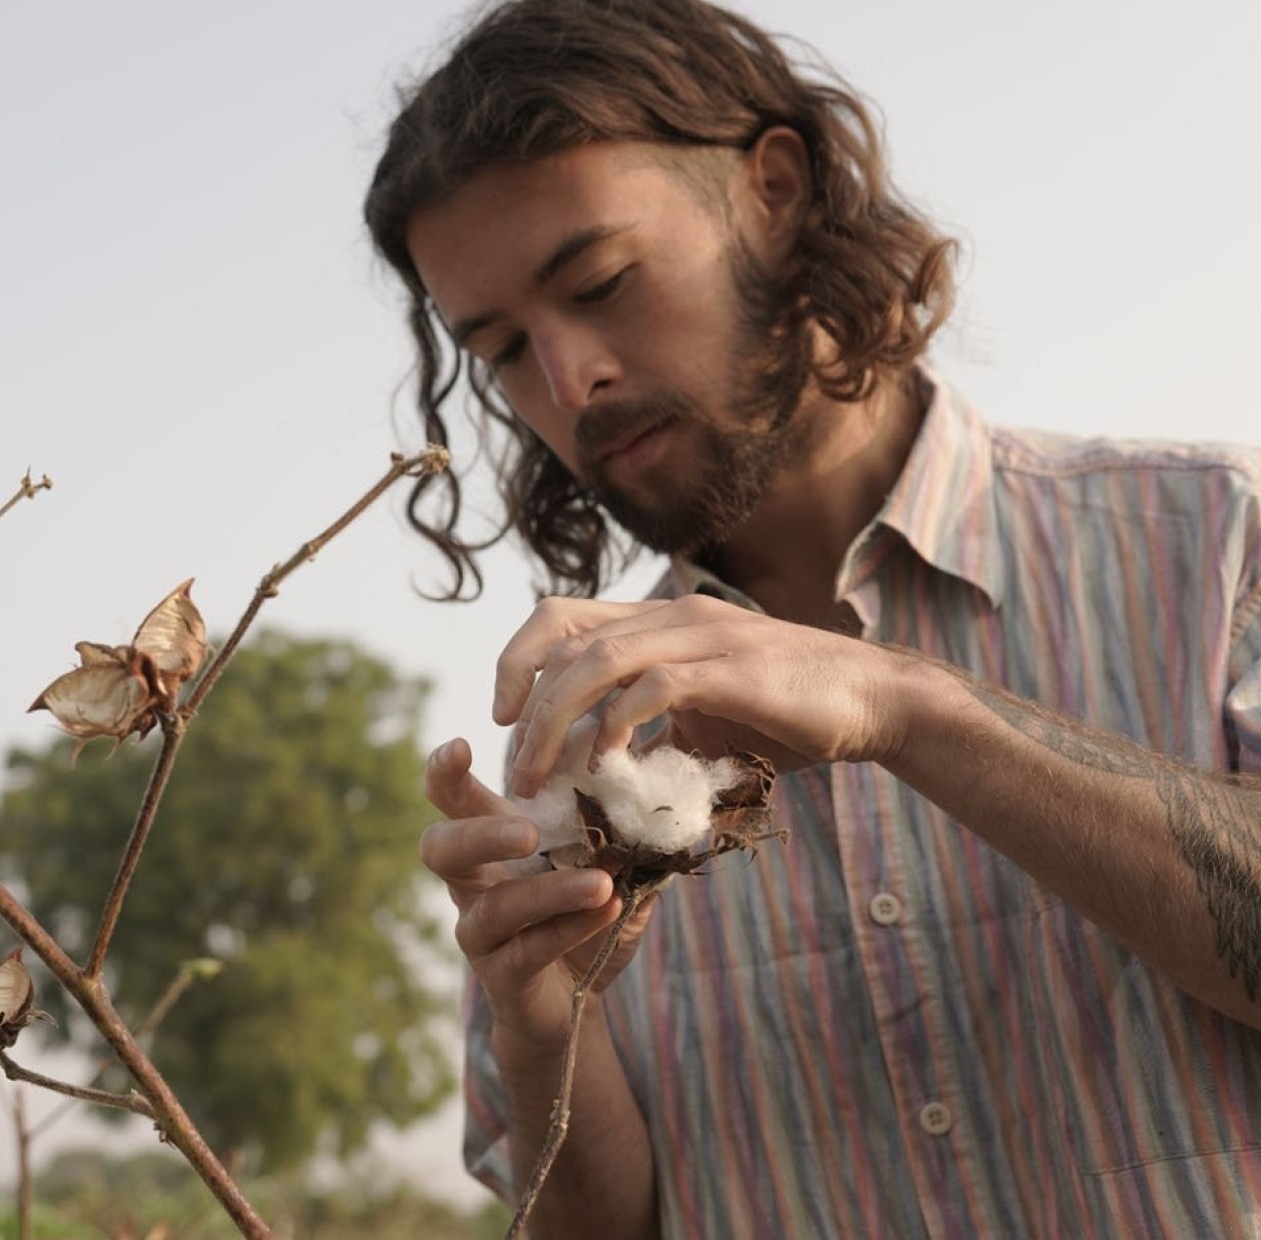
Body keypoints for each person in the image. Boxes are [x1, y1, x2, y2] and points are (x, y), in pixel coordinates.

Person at [364, 0, 1261, 1235]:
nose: (569, 382)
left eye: (600, 284)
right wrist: (540, 1021)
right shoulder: (576, 745)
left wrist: (912, 709)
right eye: (504, 349)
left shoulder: (1215, 540)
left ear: (771, 190)